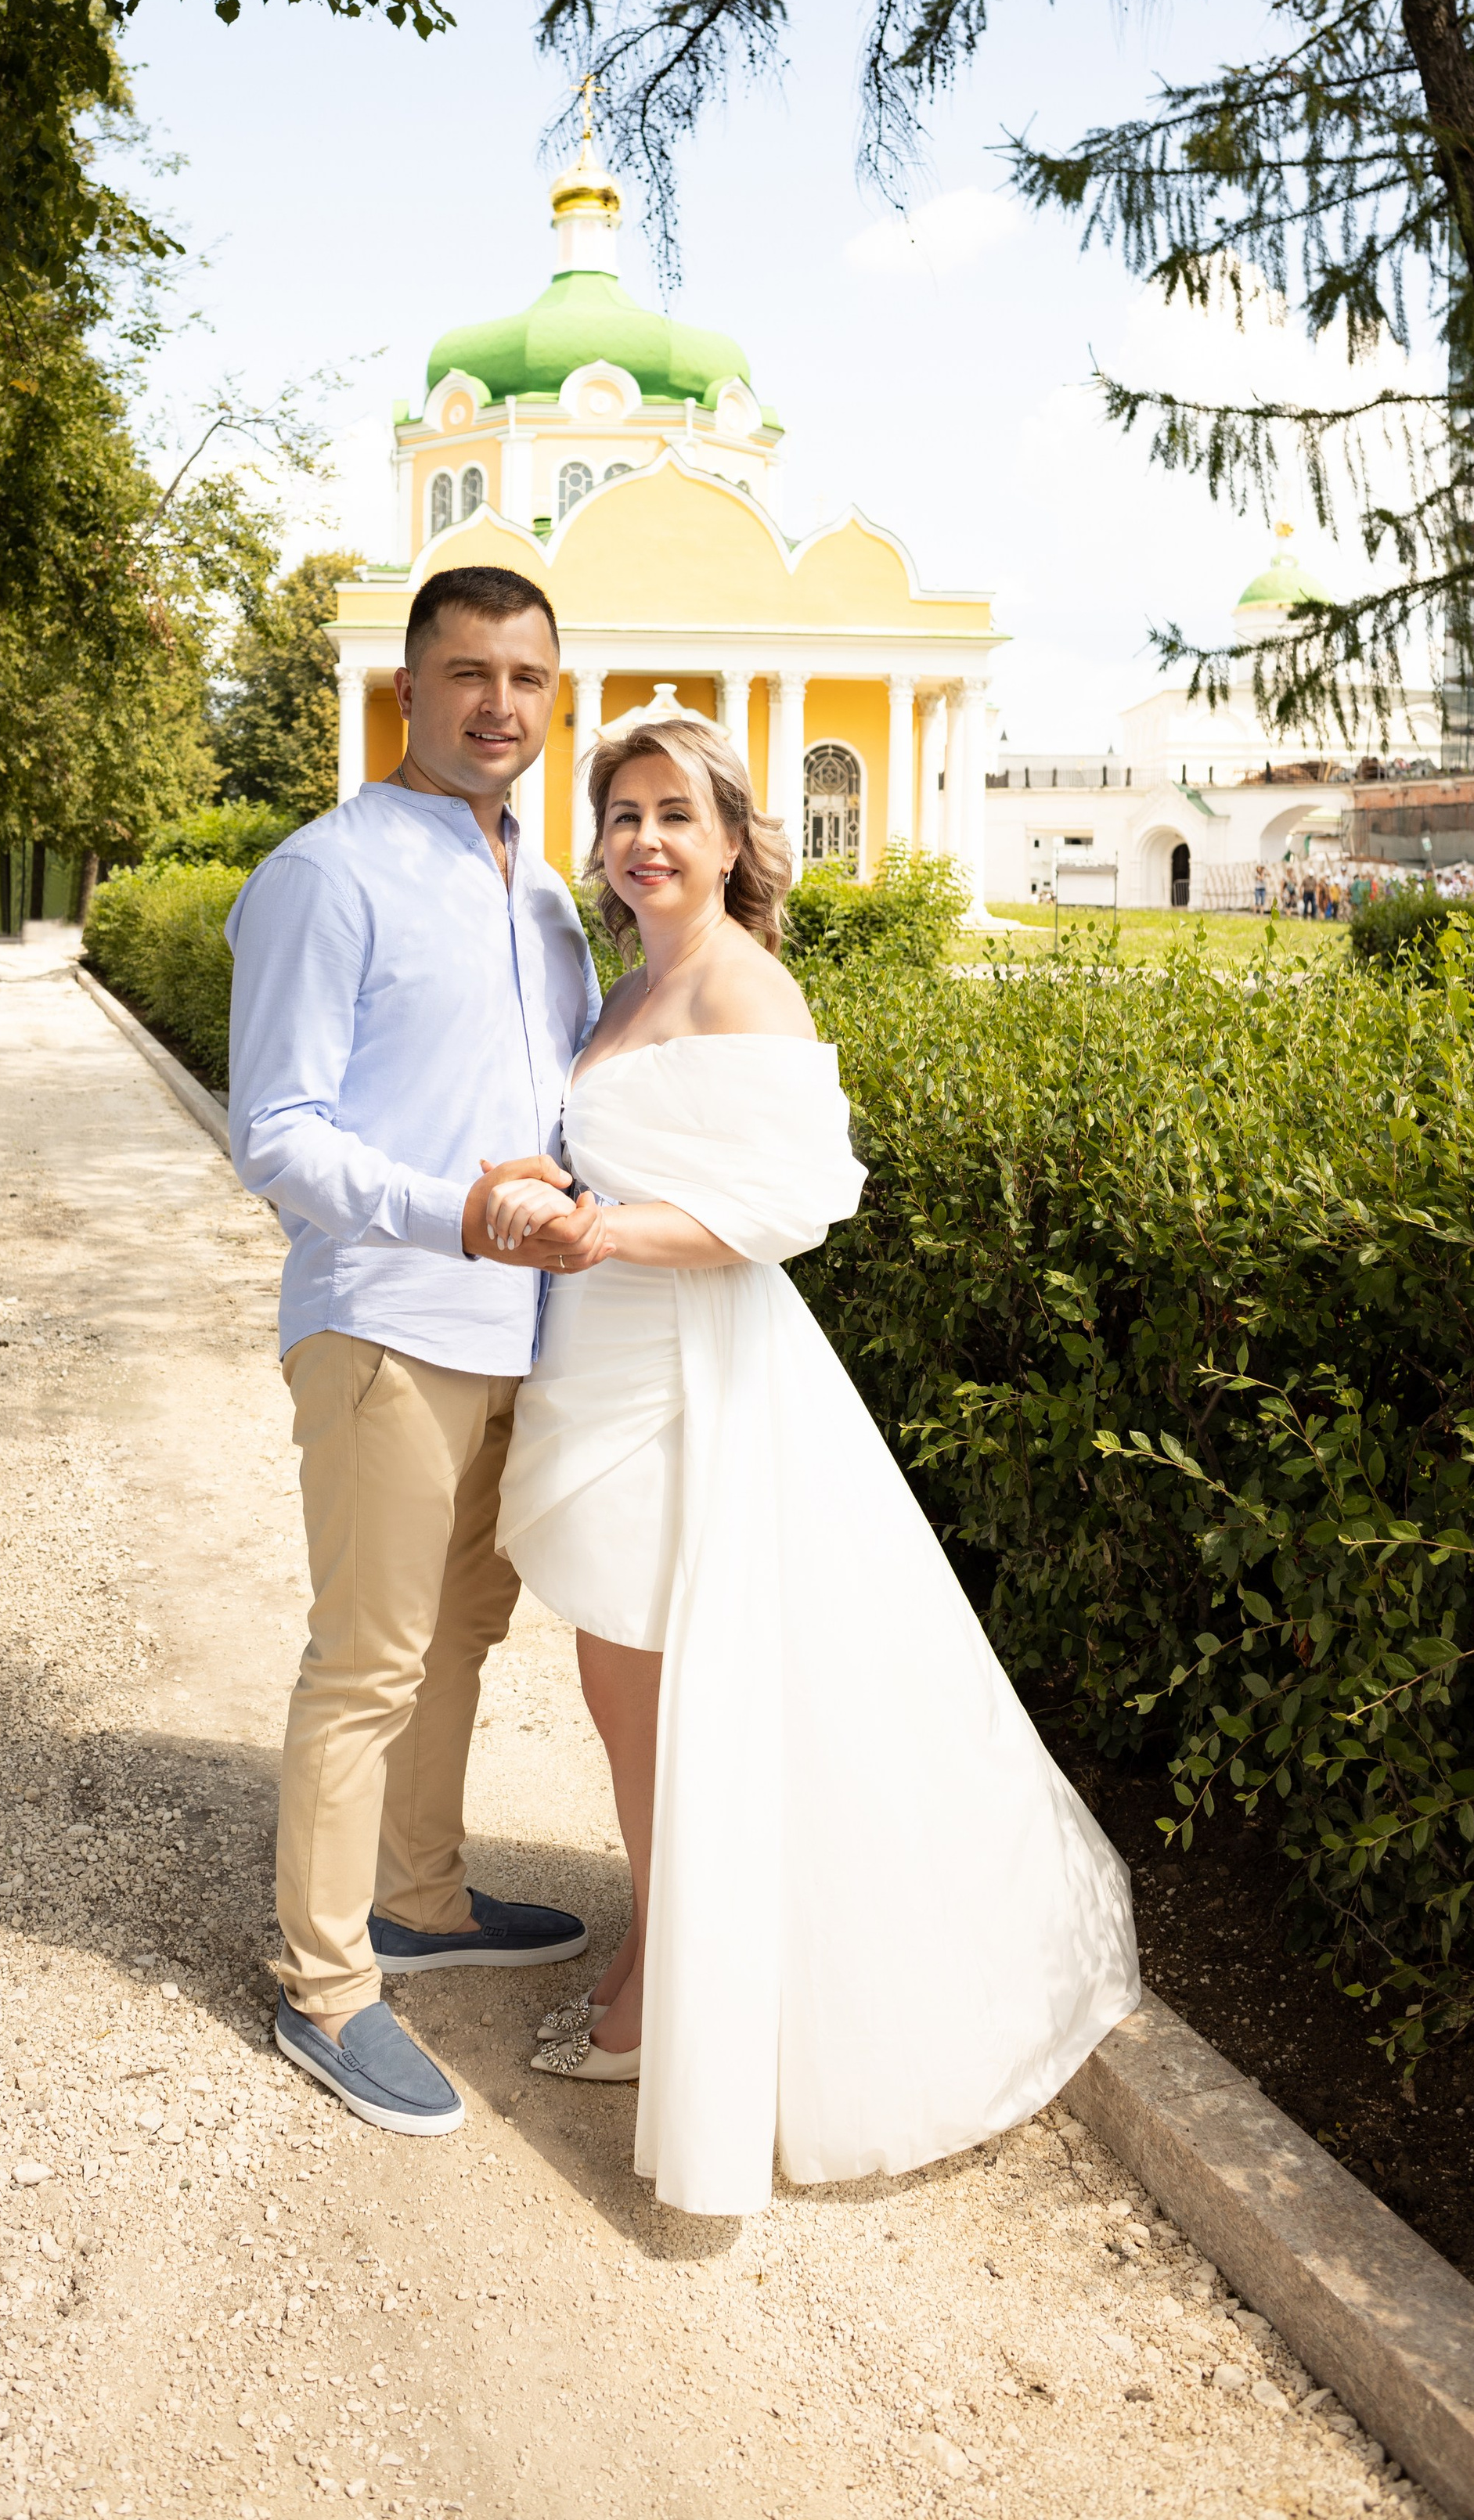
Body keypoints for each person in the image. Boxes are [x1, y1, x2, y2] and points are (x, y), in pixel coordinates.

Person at [482, 715, 1140, 2216]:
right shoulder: (635, 983)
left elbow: (786, 1205)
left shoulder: (744, 983)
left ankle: (668, 1990)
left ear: (730, 842)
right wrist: (563, 1202)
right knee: (622, 1678)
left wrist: (598, 1230)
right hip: (607, 1358)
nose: (645, 839)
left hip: (691, 1366)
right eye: (623, 814)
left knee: (659, 1677)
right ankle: (671, 1941)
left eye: (674, 815)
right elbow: (636, 1168)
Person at [225, 563, 607, 2138]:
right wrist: (453, 1212)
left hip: (519, 1332)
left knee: (460, 1638)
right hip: (388, 1320)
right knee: (366, 1662)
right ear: (409, 691)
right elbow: (276, 1136)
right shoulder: (328, 874)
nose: (497, 704)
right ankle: (324, 1985)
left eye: (525, 677)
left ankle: (422, 1901)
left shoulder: (540, 886)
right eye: (466, 673)